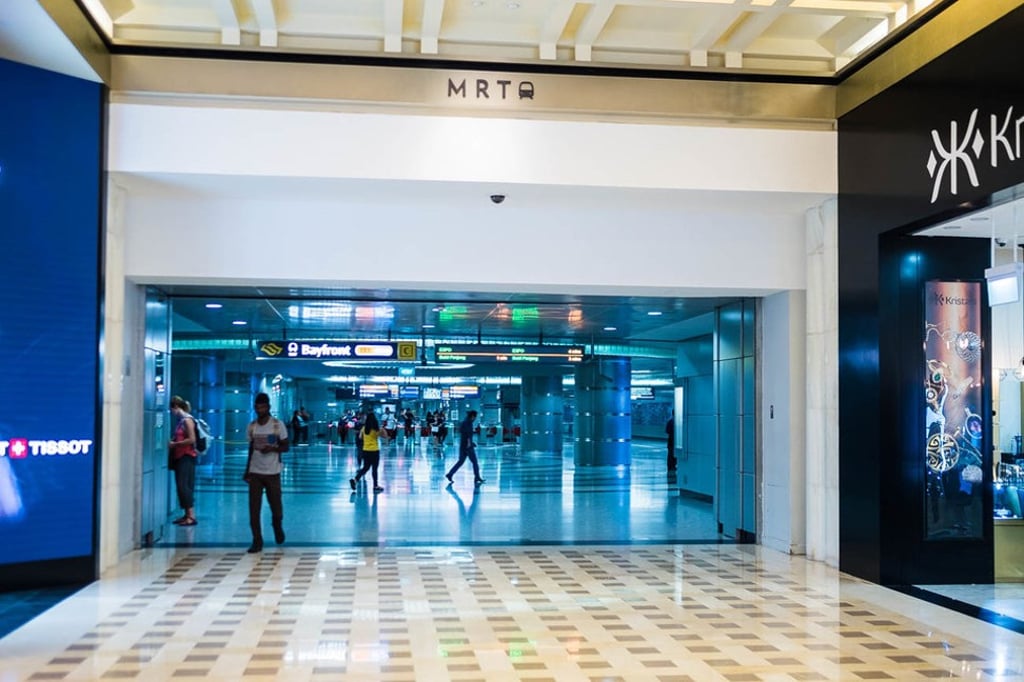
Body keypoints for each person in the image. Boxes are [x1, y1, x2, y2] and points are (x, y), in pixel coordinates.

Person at [243, 392, 290, 553]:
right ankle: (257, 540)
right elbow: (250, 449)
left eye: (263, 407)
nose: (260, 410)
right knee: (253, 509)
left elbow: (286, 446)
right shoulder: (252, 426)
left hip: (273, 472)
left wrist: (272, 448)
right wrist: (247, 470)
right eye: (257, 407)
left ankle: (277, 524)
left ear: (268, 407)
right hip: (255, 472)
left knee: (276, 507)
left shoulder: (277, 425)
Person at [168, 395, 198, 526]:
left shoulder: (187, 420)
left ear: (175, 407)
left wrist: (175, 444)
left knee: (184, 486)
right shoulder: (181, 420)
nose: (171, 412)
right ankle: (186, 514)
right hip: (180, 456)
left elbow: (192, 439)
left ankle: (191, 515)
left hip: (186, 456)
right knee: (182, 486)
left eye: (171, 409)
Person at [446, 410, 484, 486]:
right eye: (475, 417)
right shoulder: (468, 423)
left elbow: (463, 433)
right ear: (472, 416)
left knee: (460, 461)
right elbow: (468, 434)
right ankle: (477, 477)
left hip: (463, 445)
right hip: (468, 446)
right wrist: (469, 443)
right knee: (475, 462)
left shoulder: (464, 422)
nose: (475, 419)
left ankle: (450, 474)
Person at [350, 412, 384, 493]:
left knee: (366, 467)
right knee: (374, 469)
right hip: (374, 451)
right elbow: (382, 436)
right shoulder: (376, 429)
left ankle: (355, 479)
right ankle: (375, 485)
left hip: (366, 450)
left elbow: (360, 437)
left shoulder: (364, 428)